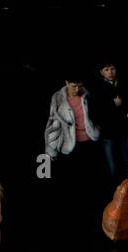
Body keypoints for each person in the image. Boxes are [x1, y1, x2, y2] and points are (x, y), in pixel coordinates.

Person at [44, 75, 105, 233]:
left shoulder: (87, 95)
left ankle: (93, 220)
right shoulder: (58, 97)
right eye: (73, 86)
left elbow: (97, 114)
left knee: (92, 183)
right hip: (70, 146)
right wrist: (51, 150)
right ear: (66, 83)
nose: (76, 89)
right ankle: (75, 222)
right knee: (73, 184)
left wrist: (96, 130)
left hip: (90, 143)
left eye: (79, 86)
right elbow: (53, 124)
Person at [88, 58, 128, 181]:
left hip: (126, 130)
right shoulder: (97, 88)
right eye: (106, 70)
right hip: (109, 133)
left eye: (112, 69)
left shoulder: (124, 83)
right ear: (101, 72)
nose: (110, 72)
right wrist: (113, 104)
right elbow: (95, 112)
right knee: (112, 165)